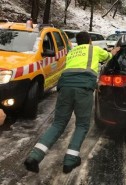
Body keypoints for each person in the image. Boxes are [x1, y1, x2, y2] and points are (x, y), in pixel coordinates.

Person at [24, 31, 120, 174]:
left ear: (78, 42)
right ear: (89, 41)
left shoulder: (72, 52)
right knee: (81, 125)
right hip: (83, 88)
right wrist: (114, 51)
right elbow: (108, 57)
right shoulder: (94, 49)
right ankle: (70, 161)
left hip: (65, 88)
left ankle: (34, 157)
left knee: (58, 124)